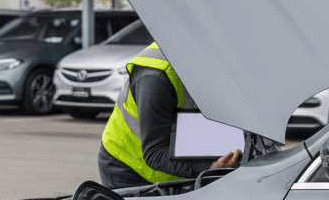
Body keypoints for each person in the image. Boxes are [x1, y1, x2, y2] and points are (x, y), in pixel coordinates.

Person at [97, 42, 241, 188]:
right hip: (128, 168)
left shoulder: (217, 62)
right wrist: (210, 166)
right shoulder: (156, 77)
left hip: (179, 161)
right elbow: (155, 153)